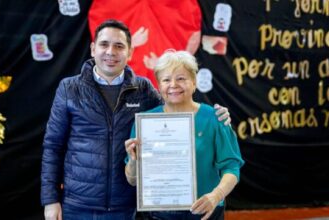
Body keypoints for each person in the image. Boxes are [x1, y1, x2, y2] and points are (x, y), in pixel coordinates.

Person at [41, 19, 232, 220]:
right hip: (78, 204)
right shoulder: (69, 88)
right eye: (104, 44)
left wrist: (217, 114)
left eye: (119, 46)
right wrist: (50, 200)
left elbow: (175, 112)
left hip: (127, 206)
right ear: (93, 48)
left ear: (130, 52)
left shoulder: (144, 89)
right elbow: (53, 146)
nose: (110, 52)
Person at [125, 50, 244, 220]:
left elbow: (232, 168)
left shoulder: (214, 118)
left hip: (205, 210)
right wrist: (134, 162)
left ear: (194, 83)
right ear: (159, 86)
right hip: (159, 213)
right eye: (166, 80)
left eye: (181, 78)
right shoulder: (145, 123)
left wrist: (216, 196)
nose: (173, 84)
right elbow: (132, 180)